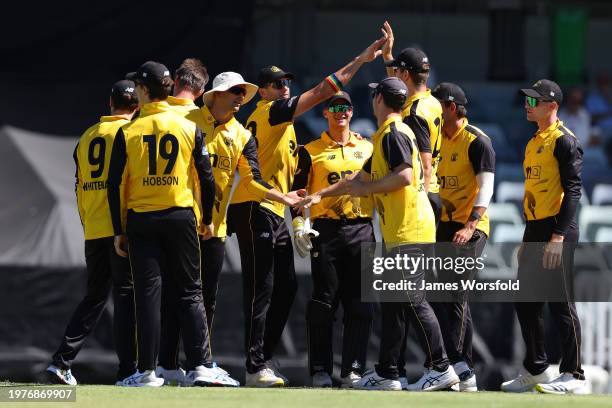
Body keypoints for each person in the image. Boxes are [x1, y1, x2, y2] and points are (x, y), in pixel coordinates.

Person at [226, 34, 387, 387]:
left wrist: (297, 216)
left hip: (273, 208)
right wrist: (360, 60)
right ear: (263, 92)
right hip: (256, 206)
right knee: (263, 289)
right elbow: (323, 91)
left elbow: (292, 178)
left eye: (285, 83)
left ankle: (263, 358)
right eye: (275, 84)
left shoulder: (283, 126)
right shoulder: (270, 112)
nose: (283, 88)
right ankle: (255, 366)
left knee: (285, 288)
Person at [296, 77, 459, 392]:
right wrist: (320, 195)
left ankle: (441, 366)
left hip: (410, 226)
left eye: (375, 96)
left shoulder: (393, 133)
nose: (373, 101)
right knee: (395, 303)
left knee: (411, 298)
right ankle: (387, 372)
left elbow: (405, 177)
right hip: (402, 228)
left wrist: (367, 188)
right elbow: (357, 179)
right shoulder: (387, 134)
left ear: (381, 100)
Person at [157, 71, 301, 386]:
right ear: (218, 93)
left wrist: (283, 197)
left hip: (216, 226)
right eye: (236, 92)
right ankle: (171, 364)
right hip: (183, 219)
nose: (240, 98)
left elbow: (252, 180)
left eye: (243, 93)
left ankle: (195, 365)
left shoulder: (241, 134)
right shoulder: (189, 120)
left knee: (206, 297)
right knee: (177, 294)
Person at [107, 61, 217, 387]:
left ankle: (147, 372)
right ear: (168, 87)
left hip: (142, 219)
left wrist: (118, 230)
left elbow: (115, 186)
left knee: (148, 295)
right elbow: (207, 179)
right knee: (190, 292)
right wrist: (208, 218)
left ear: (142, 90)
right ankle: (201, 366)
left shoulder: (129, 131)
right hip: (181, 216)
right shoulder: (187, 125)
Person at [46, 80, 139, 386]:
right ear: (137, 106)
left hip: (94, 227)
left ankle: (61, 361)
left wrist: (87, 221)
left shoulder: (86, 136)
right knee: (127, 296)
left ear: (110, 103)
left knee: (96, 297)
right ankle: (128, 371)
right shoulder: (131, 134)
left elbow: (79, 185)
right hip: (120, 228)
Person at [501, 79, 586, 394]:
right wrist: (528, 240)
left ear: (552, 105)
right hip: (536, 229)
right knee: (525, 302)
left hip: (557, 229)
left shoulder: (565, 141)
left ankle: (573, 374)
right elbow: (533, 196)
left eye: (535, 101)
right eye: (527, 100)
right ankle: (536, 369)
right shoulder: (534, 141)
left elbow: (574, 192)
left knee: (561, 303)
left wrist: (558, 237)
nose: (528, 104)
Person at [290, 91, 374, 388]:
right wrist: (299, 224)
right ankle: (320, 370)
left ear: (352, 112)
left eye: (346, 108)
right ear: (325, 113)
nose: (341, 112)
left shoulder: (367, 147)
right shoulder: (310, 150)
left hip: (362, 229)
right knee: (324, 302)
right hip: (326, 232)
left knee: (360, 304)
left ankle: (353, 370)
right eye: (335, 107)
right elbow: (297, 196)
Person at [380, 21, 445, 388]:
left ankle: (441, 366)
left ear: (407, 74)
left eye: (397, 71)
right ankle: (393, 369)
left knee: (410, 293)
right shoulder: (431, 99)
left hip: (419, 197)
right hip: (427, 196)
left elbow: (422, 160)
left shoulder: (417, 110)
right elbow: (397, 84)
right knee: (400, 293)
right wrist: (390, 56)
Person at [431, 82, 496, 392]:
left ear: (451, 107)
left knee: (456, 294)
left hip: (470, 226)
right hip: (445, 223)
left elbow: (487, 187)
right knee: (443, 296)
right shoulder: (437, 139)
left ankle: (460, 366)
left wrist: (470, 224)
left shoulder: (477, 141)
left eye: (437, 105)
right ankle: (462, 368)